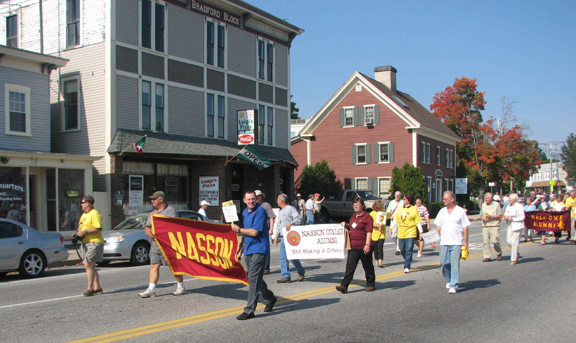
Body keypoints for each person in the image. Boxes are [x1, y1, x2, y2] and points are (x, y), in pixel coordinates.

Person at [231, 190, 277, 320]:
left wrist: (238, 230)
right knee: (255, 277)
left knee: (252, 279)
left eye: (253, 199)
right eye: (249, 199)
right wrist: (240, 250)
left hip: (260, 249)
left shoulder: (261, 211)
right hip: (249, 249)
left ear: (256, 199)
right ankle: (269, 297)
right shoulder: (245, 212)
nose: (251, 201)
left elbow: (254, 232)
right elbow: (246, 234)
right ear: (244, 200)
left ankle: (249, 309)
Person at [138, 191, 186, 298]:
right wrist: (149, 232)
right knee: (154, 265)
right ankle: (151, 289)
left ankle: (180, 286)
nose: (152, 201)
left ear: (161, 199)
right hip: (156, 243)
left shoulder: (170, 211)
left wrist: (159, 221)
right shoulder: (152, 213)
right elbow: (147, 226)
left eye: (154, 199)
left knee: (173, 265)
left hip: (168, 243)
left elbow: (172, 225)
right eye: (152, 199)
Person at [336, 198, 375, 293]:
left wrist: (367, 245)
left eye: (357, 205)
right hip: (353, 246)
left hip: (363, 245)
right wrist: (345, 225)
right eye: (354, 205)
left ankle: (371, 284)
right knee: (350, 266)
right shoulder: (354, 216)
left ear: (362, 205)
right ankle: (344, 285)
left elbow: (369, 232)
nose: (355, 207)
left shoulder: (367, 217)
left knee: (367, 266)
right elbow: (351, 227)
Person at [433, 191, 470, 294]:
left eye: (445, 198)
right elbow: (438, 226)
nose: (443, 200)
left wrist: (465, 241)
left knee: (454, 264)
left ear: (452, 199)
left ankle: (454, 284)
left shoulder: (460, 211)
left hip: (456, 241)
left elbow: (465, 227)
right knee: (444, 263)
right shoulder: (442, 211)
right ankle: (449, 280)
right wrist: (434, 238)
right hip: (444, 241)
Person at [74, 195, 104, 296]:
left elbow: (98, 228)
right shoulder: (84, 215)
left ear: (88, 204)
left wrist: (85, 232)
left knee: (89, 264)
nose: (81, 204)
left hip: (94, 241)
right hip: (85, 242)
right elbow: (81, 228)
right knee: (90, 266)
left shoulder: (94, 214)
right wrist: (77, 234)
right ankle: (97, 287)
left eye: (83, 202)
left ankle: (90, 288)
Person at [275, 194, 305, 283]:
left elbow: (299, 219)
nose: (277, 201)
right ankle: (286, 276)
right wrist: (276, 236)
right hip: (284, 237)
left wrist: (291, 223)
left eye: (277, 199)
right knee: (283, 257)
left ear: (281, 200)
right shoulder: (280, 212)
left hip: (291, 237)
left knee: (292, 257)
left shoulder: (290, 209)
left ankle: (301, 271)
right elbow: (279, 225)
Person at [392, 193, 422, 274]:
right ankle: (408, 259)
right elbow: (396, 219)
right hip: (401, 232)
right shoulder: (400, 209)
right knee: (402, 249)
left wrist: (421, 231)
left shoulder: (413, 209)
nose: (403, 200)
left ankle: (407, 266)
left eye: (405, 199)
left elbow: (418, 221)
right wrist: (391, 228)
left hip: (410, 232)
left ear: (409, 200)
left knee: (409, 249)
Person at [255, 190, 276, 275]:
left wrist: (271, 228)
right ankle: (257, 267)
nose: (257, 198)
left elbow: (272, 217)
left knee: (265, 248)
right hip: (255, 230)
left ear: (261, 197)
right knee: (256, 249)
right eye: (256, 196)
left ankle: (266, 268)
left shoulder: (266, 205)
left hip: (264, 229)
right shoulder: (253, 206)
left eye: (258, 196)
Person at [480, 193, 503, 262]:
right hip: (485, 225)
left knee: (495, 241)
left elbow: (500, 215)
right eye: (485, 199)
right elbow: (481, 214)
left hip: (494, 225)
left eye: (487, 198)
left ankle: (498, 252)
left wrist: (491, 216)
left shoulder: (496, 205)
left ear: (491, 199)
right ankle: (487, 256)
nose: (486, 200)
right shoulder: (483, 205)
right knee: (485, 242)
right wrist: (482, 218)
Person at [504, 193, 524, 265]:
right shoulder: (508, 206)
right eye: (509, 198)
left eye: (511, 199)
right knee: (509, 241)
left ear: (515, 199)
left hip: (517, 226)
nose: (509, 200)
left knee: (515, 242)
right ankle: (516, 253)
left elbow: (522, 217)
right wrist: (506, 217)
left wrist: (513, 219)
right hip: (509, 226)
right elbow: (506, 214)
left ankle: (514, 259)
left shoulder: (519, 206)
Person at [370, 200, 386, 267]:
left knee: (380, 247)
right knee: (375, 248)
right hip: (374, 233)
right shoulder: (372, 214)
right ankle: (376, 260)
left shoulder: (382, 213)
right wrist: (376, 225)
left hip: (381, 233)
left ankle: (380, 261)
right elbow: (369, 223)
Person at [386, 191, 403, 255]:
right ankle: (400, 246)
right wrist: (390, 216)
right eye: (396, 195)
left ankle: (398, 249)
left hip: (401, 220)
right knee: (393, 235)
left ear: (400, 196)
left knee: (400, 235)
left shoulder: (402, 202)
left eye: (398, 195)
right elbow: (388, 212)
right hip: (393, 220)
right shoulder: (392, 202)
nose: (397, 196)